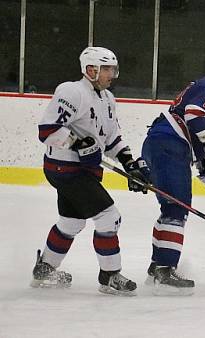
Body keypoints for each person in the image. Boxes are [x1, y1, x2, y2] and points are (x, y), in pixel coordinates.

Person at [33, 46, 150, 296]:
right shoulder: (72, 91)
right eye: (106, 69)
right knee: (109, 217)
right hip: (65, 168)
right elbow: (47, 130)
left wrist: (130, 164)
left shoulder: (107, 99)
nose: (111, 74)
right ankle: (109, 276)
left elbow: (112, 140)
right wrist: (77, 143)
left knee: (71, 222)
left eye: (112, 69)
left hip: (82, 171)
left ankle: (44, 269)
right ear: (90, 69)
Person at [142, 53, 205, 295]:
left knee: (171, 208)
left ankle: (158, 265)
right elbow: (194, 115)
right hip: (169, 144)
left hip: (163, 145)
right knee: (177, 209)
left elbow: (197, 139)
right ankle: (165, 269)